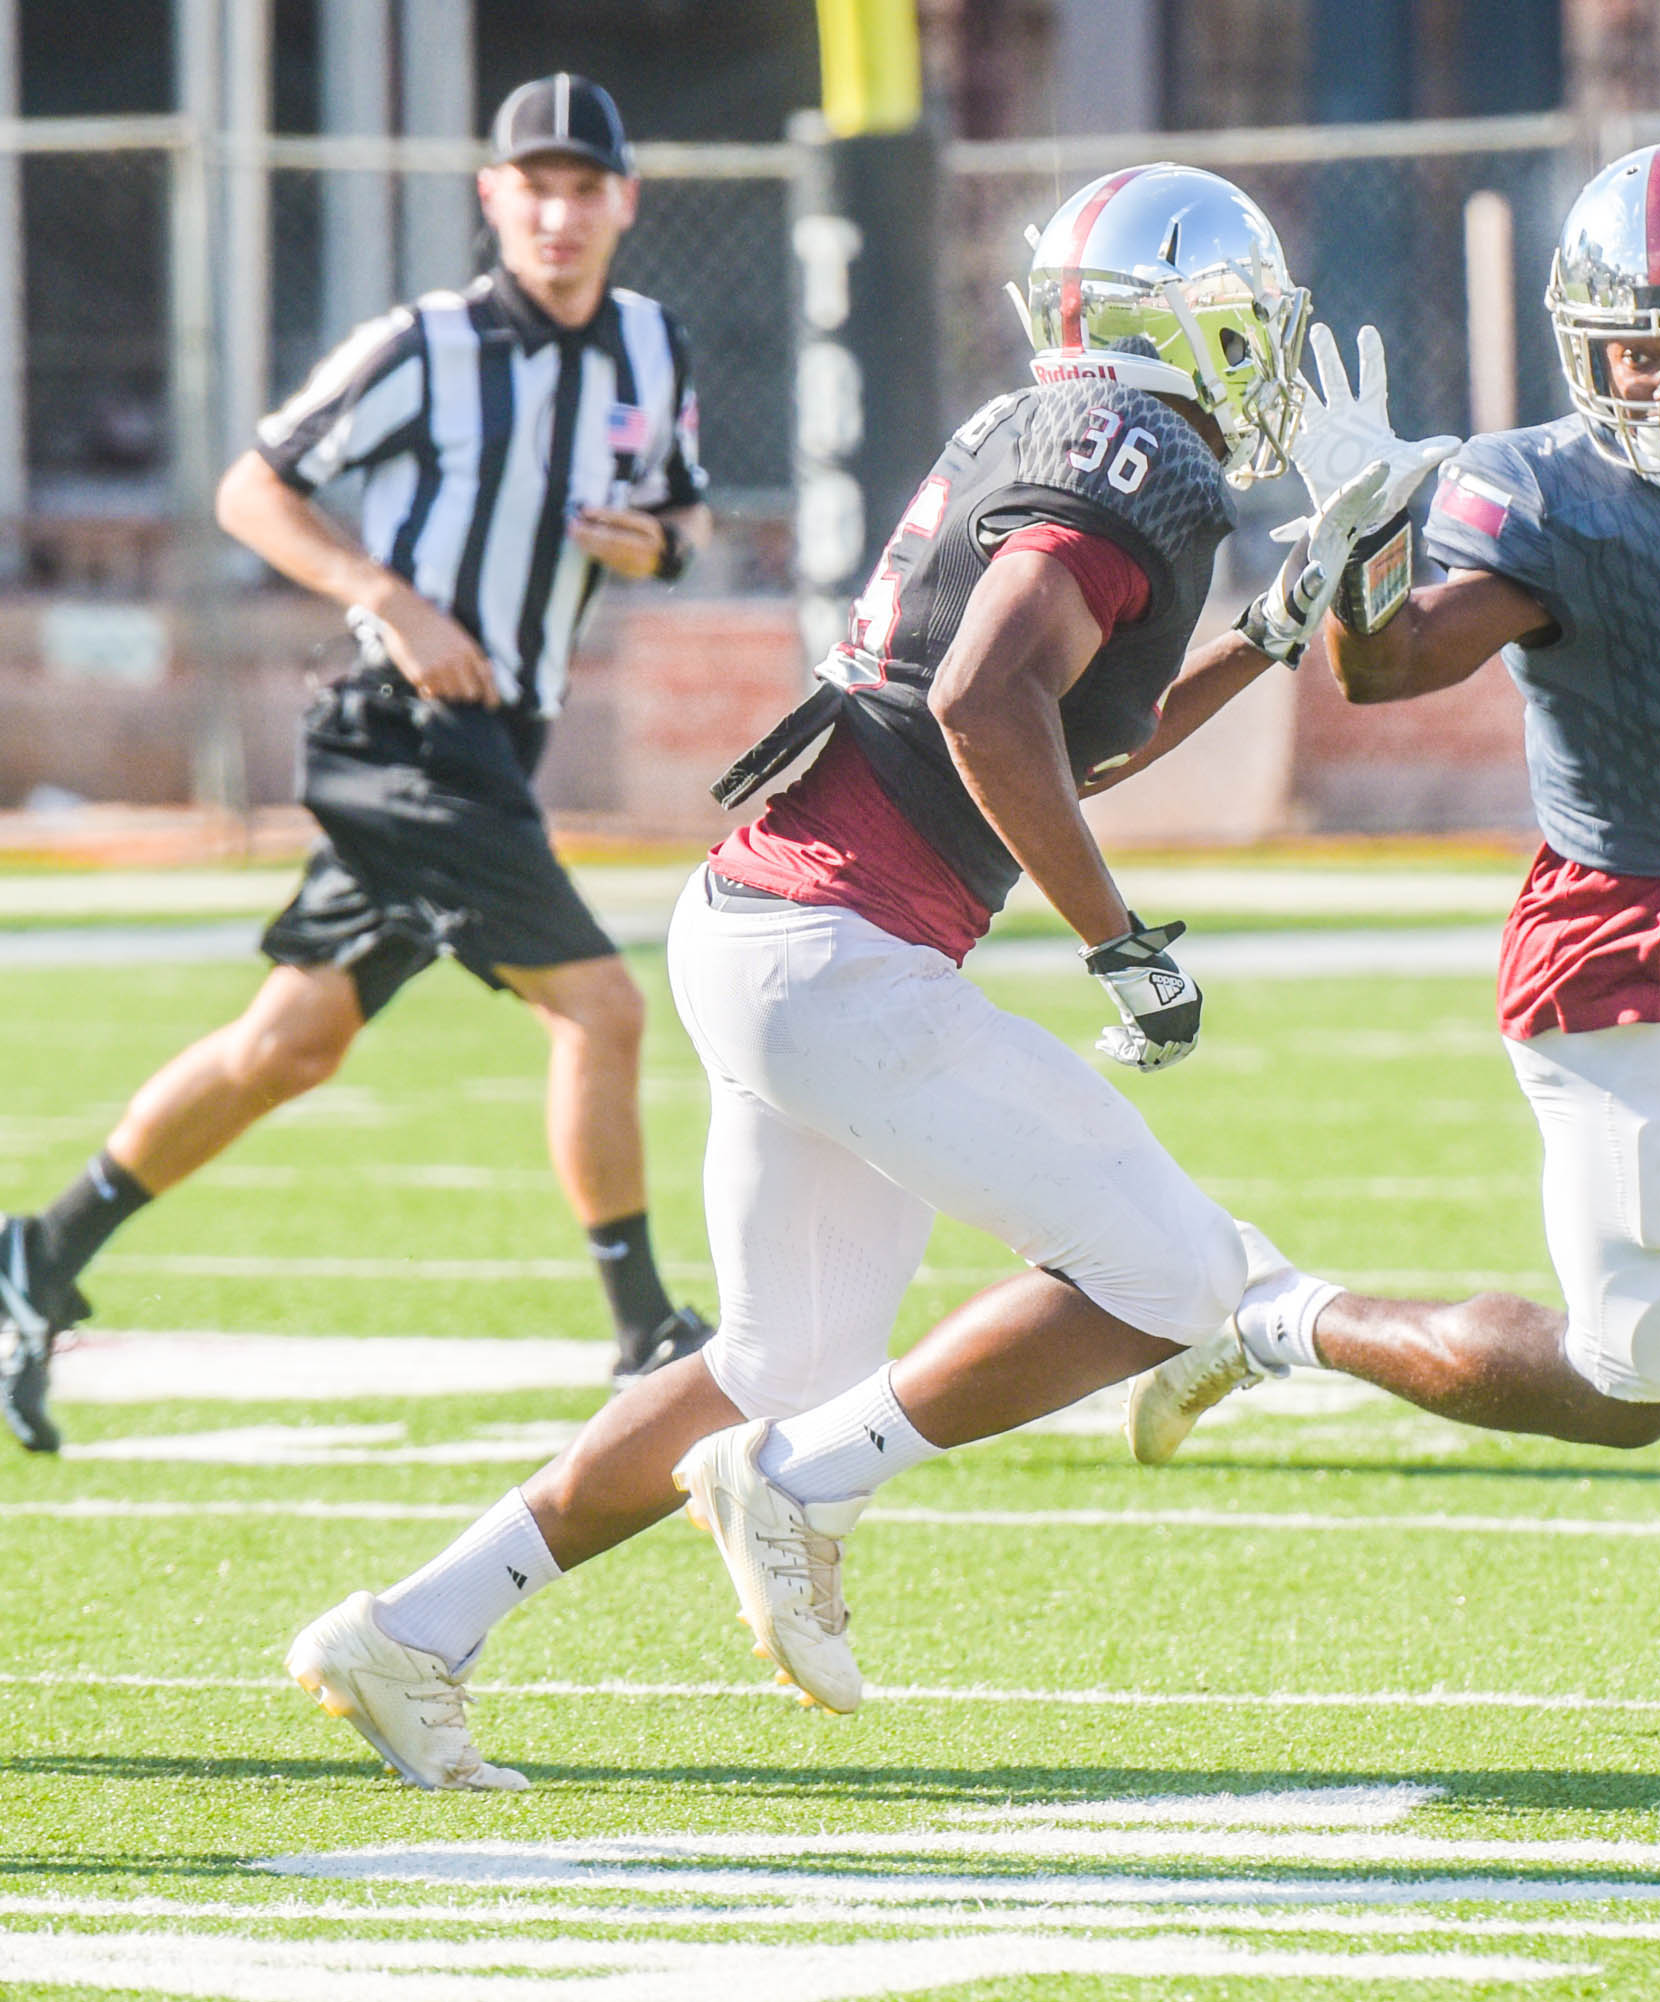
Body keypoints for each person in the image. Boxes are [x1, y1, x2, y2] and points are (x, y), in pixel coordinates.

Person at [693, 145, 1660, 1753]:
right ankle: (1279, 1319)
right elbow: (1394, 668)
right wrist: (1354, 571)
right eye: (1626, 345)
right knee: (1625, 1395)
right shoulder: (1542, 493)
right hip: (1621, 976)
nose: (1656, 379)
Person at [283, 162, 1446, 1788]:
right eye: (1246, 331)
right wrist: (1120, 944)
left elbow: (1048, 735)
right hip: (840, 953)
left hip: (768, 930)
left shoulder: (1038, 433)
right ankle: (810, 1480)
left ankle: (413, 1630)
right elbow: (985, 704)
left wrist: (1266, 633)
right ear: (1184, 327)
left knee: (771, 1356)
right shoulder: (1145, 459)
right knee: (1178, 1279)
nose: (1261, 366)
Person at [0, 75, 713, 1454]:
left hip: (496, 740)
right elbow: (252, 486)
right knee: (605, 1010)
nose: (558, 212)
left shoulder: (652, 345)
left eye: (583, 187)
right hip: (404, 731)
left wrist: (656, 545)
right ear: (492, 197)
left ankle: (37, 1251)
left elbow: (679, 506)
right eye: (534, 185)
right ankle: (645, 1335)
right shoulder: (426, 344)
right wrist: (392, 595)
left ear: (623, 202)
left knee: (292, 1043)